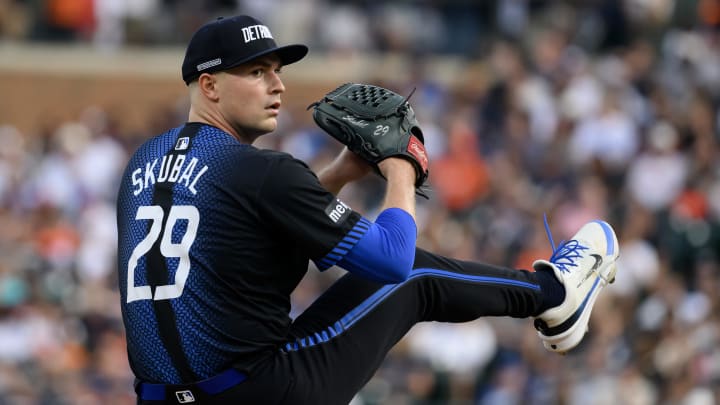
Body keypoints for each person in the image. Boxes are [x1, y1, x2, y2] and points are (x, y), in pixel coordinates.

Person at [116, 15, 620, 405]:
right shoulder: (263, 171)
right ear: (210, 86)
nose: (278, 85)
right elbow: (393, 260)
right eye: (256, 71)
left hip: (162, 396)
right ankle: (554, 293)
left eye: (277, 70)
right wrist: (400, 168)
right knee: (413, 275)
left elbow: (251, 232)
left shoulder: (141, 165)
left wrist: (338, 174)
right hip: (261, 391)